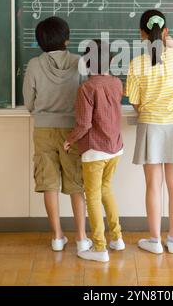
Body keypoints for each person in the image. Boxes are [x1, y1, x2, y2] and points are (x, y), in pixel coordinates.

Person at [125, 9, 173, 254]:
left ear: (141, 34)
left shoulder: (137, 64)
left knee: (153, 186)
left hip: (151, 126)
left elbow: (135, 102)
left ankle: (155, 241)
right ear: (166, 31)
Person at [23, 16, 91, 253]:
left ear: (40, 41)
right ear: (67, 39)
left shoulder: (33, 65)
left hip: (43, 129)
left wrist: (42, 113)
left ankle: (57, 237)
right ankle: (82, 238)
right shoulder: (80, 62)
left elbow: (28, 101)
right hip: (73, 130)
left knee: (48, 183)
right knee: (76, 183)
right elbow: (86, 97)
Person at [64, 39, 124, 263]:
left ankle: (99, 247)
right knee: (106, 189)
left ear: (86, 63)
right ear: (110, 60)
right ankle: (117, 238)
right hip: (115, 148)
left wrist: (69, 141)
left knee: (92, 196)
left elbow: (84, 124)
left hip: (95, 151)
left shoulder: (86, 88)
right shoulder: (117, 83)